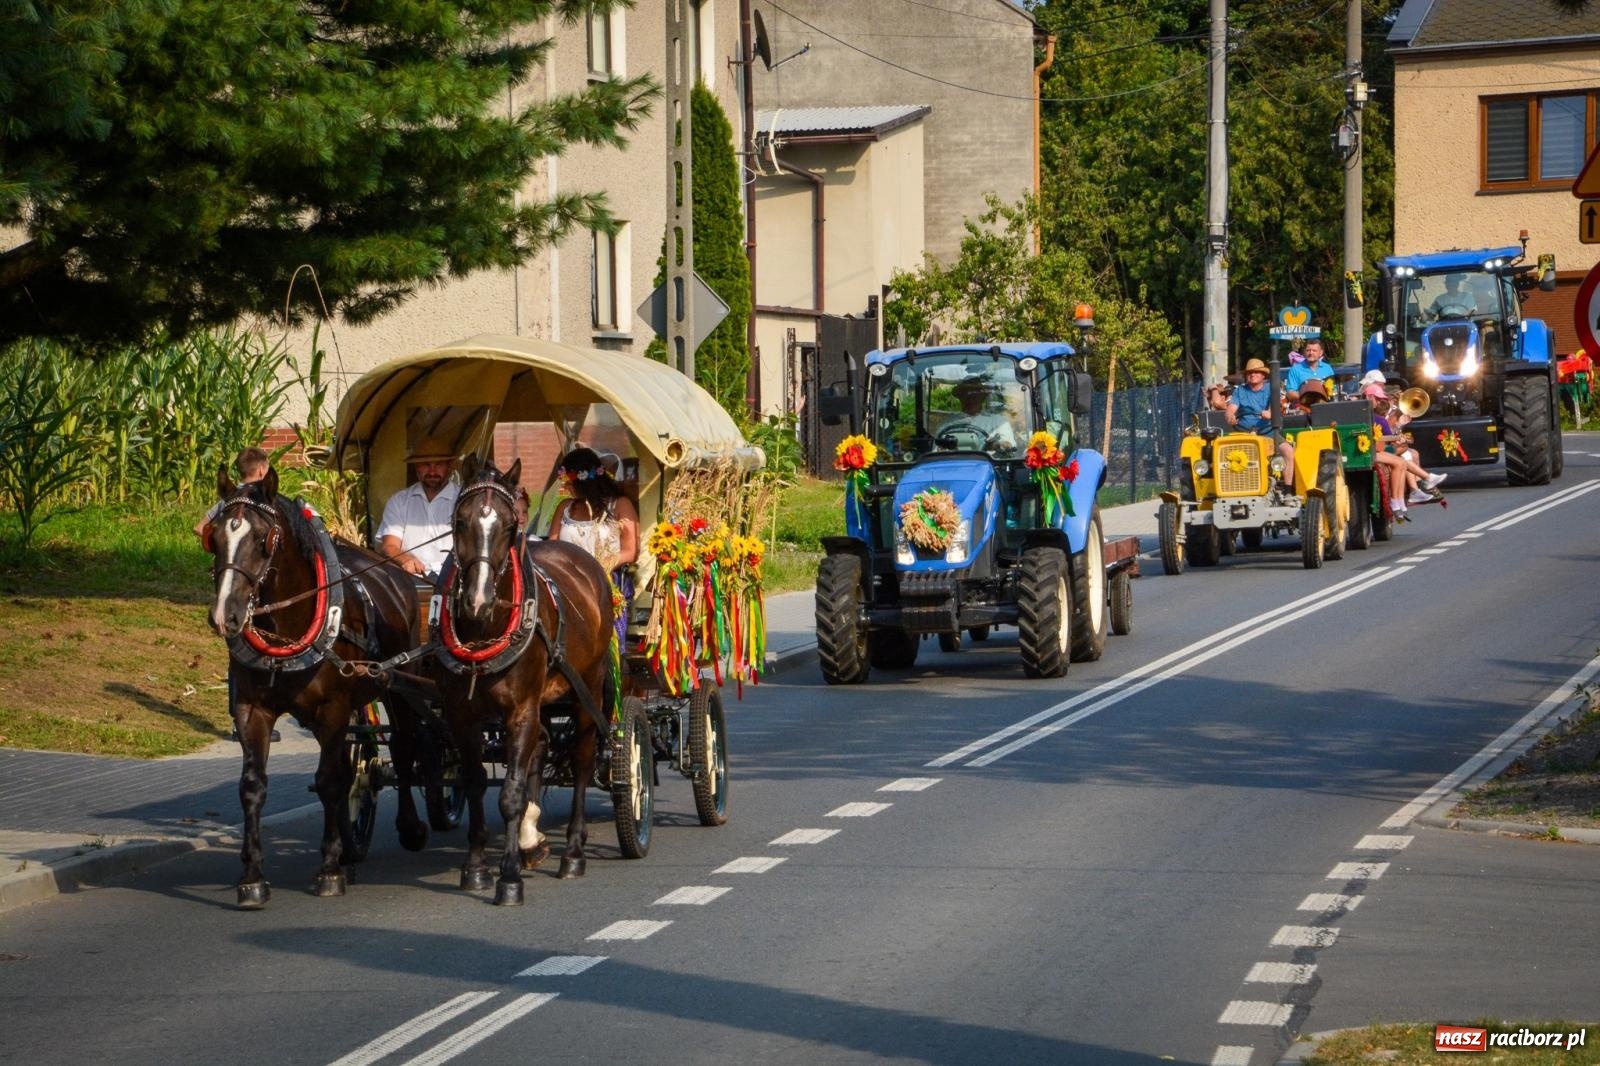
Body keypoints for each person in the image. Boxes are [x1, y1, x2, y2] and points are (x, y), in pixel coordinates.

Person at [378, 435, 460, 579]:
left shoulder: (463, 499)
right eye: (425, 465)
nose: (432, 471)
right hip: (411, 579)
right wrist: (405, 560)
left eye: (439, 464)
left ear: (450, 466)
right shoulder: (399, 501)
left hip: (454, 580)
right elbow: (389, 545)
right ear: (416, 467)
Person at [548, 447, 639, 574]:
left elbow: (631, 551)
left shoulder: (620, 504)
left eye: (568, 481)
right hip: (567, 577)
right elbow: (551, 547)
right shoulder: (564, 507)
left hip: (606, 578)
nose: (565, 486)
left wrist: (602, 564)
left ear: (584, 481)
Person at [1227, 358, 1297, 485]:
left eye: (1256, 372)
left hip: (1267, 432)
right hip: (1244, 433)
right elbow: (1231, 408)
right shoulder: (1239, 391)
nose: (1252, 375)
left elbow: (1274, 406)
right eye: (1250, 373)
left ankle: (1287, 488)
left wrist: (1270, 413)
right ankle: (1234, 484)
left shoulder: (1271, 389)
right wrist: (1230, 416)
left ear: (1263, 375)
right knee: (1226, 454)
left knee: (1288, 450)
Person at [195, 446, 270, 547]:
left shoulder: (229, 498)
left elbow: (200, 528)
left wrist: (223, 546)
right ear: (261, 470)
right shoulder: (265, 498)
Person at [949, 377, 1019, 453]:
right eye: (966, 394)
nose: (971, 398)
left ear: (982, 397)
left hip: (991, 463)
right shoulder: (949, 423)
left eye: (975, 394)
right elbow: (937, 449)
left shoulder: (998, 421)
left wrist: (997, 445)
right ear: (960, 397)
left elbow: (1010, 446)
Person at [1285, 338, 1335, 403]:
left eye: (1314, 350)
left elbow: (1334, 390)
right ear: (1304, 352)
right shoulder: (1295, 370)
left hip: (1325, 407)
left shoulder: (1327, 368)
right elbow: (1290, 393)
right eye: (1308, 350)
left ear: (1321, 353)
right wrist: (1307, 397)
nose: (1311, 353)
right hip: (1304, 408)